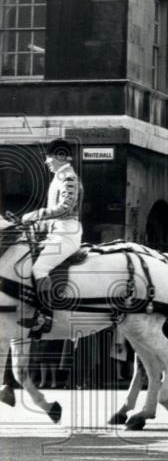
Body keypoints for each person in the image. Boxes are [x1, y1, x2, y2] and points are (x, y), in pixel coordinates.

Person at [20, 139, 83, 337]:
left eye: (48, 157)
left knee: (40, 268)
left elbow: (66, 207)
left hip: (67, 233)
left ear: (60, 156)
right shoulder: (58, 177)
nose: (46, 161)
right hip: (56, 232)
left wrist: (37, 214)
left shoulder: (68, 178)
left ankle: (46, 316)